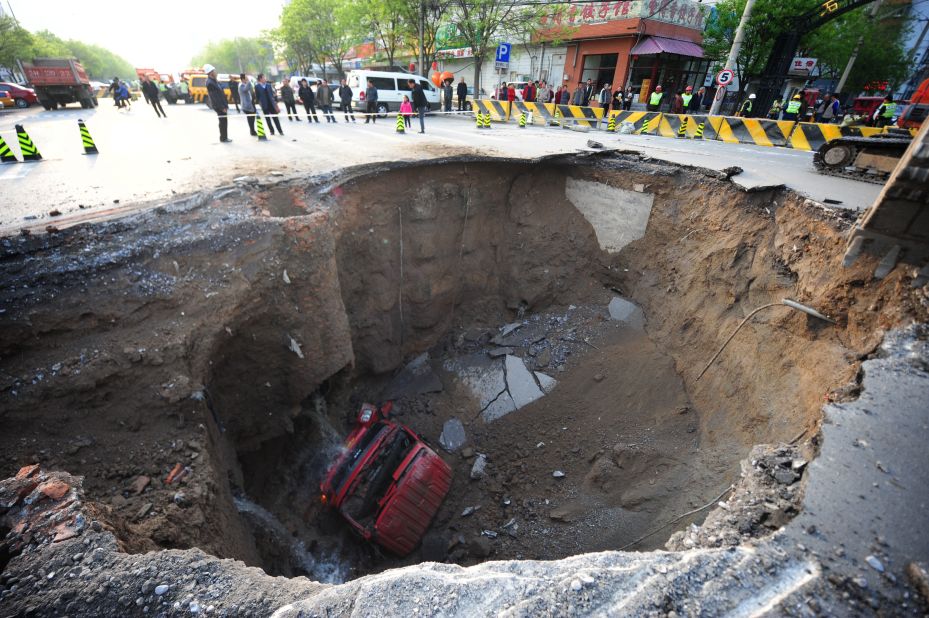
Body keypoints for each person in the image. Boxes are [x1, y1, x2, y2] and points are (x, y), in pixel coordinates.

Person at [204, 64, 231, 143]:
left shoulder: (214, 81)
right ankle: (223, 138)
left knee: (224, 121)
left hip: (222, 105)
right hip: (219, 106)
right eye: (214, 71)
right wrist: (222, 107)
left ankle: (224, 137)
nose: (215, 72)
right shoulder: (210, 83)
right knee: (222, 122)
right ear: (210, 72)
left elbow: (221, 92)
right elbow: (215, 97)